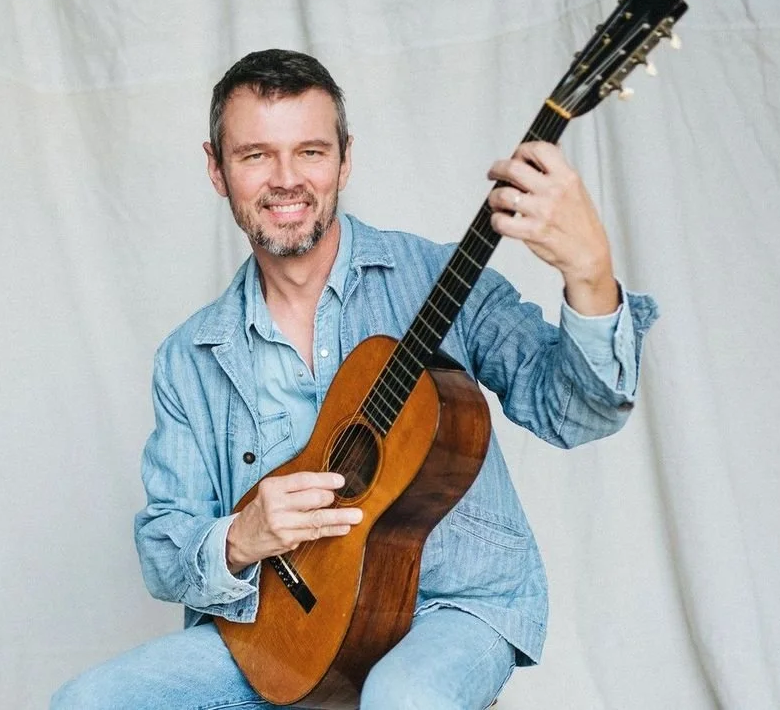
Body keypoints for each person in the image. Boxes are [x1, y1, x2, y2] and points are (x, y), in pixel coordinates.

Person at [52, 48, 658, 709]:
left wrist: (591, 274)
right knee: (88, 700)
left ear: (345, 158)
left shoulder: (440, 282)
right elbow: (162, 548)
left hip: (446, 609)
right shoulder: (190, 356)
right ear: (217, 169)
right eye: (255, 154)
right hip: (283, 631)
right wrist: (239, 535)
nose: (286, 179)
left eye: (310, 152)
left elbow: (574, 412)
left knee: (401, 702)